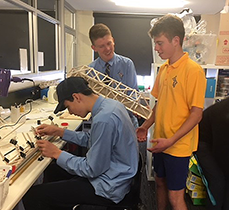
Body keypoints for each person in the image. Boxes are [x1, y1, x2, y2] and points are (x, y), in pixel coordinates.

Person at [23, 77, 139, 210]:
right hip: (117, 174)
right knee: (53, 170)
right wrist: (60, 131)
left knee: (33, 196)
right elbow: (91, 139)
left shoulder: (104, 119)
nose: (70, 112)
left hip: (109, 186)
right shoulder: (110, 106)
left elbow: (91, 169)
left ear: (76, 97)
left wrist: (57, 153)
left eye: (68, 107)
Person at [136, 14, 206, 210]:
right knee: (159, 184)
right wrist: (145, 126)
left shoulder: (193, 71)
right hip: (161, 142)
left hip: (178, 146)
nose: (156, 48)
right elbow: (161, 103)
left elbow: (196, 114)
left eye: (160, 43)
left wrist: (172, 140)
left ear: (176, 41)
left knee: (176, 197)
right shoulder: (164, 69)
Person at [88, 23, 139, 127]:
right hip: (102, 124)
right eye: (102, 46)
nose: (107, 49)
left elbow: (134, 93)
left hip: (126, 122)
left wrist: (135, 106)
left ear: (113, 41)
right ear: (94, 48)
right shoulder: (90, 71)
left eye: (109, 43)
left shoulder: (127, 64)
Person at [196, 97, 229, 210]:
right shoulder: (223, 114)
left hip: (219, 142)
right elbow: (220, 150)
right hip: (203, 144)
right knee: (218, 183)